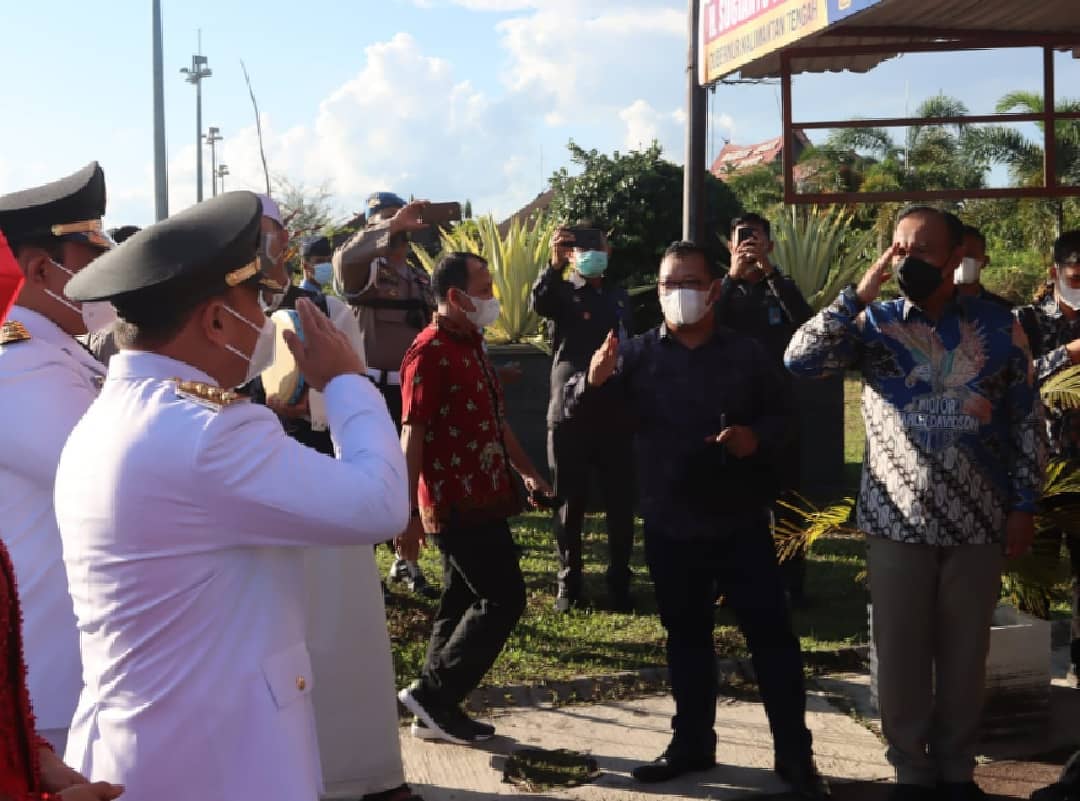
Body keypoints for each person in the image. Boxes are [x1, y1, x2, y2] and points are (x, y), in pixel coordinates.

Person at [53, 191, 410, 801]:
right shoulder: (208, 431)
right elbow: (378, 503)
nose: (267, 320)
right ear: (216, 321)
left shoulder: (112, 413)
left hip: (153, 748)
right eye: (257, 301)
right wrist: (346, 381)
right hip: (215, 763)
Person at [785, 206, 1047, 801]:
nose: (906, 260)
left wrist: (1024, 503)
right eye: (898, 247)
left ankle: (957, 769)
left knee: (965, 655)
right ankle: (910, 768)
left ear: (958, 257)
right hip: (895, 521)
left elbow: (1026, 422)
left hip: (977, 520)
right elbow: (799, 360)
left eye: (922, 249)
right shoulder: (871, 324)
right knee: (899, 656)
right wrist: (854, 295)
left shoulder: (999, 326)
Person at [569, 241, 827, 798]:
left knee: (772, 640)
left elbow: (787, 416)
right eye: (668, 284)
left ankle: (794, 754)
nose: (678, 293)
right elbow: (579, 417)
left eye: (689, 282)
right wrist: (591, 381)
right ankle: (691, 744)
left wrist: (755, 437)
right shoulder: (634, 354)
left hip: (740, 522)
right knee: (686, 640)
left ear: (713, 289)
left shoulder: (748, 354)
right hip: (670, 522)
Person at [251, 195, 418, 801]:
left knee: (342, 629)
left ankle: (357, 772)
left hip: (323, 459)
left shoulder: (322, 306)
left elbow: (339, 378)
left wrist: (321, 402)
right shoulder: (233, 316)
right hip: (274, 475)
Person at [396, 251, 552, 745]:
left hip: (486, 495)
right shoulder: (429, 352)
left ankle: (433, 712)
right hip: (452, 502)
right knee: (504, 597)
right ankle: (437, 695)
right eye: (483, 289)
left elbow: (497, 423)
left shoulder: (472, 344)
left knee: (460, 598)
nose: (492, 298)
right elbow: (412, 436)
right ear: (455, 297)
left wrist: (530, 474)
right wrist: (406, 515)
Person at [0, 237, 124, 801]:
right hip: (47, 667)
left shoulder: (56, 354)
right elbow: (112, 481)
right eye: (89, 260)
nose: (105, 276)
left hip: (56, 666)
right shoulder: (19, 362)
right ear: (41, 269)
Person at [334, 192, 439, 599]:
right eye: (383, 220)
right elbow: (343, 263)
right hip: (372, 387)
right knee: (368, 475)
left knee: (407, 475)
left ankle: (405, 560)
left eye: (399, 219)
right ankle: (363, 569)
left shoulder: (416, 278)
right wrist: (388, 226)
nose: (396, 226)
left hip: (410, 389)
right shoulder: (364, 270)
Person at [530, 223, 635, 612]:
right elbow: (539, 303)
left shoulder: (618, 296)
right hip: (570, 409)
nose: (592, 251)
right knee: (569, 502)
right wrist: (553, 265)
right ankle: (568, 585)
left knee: (621, 503)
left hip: (616, 411)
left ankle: (620, 583)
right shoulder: (560, 291)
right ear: (570, 252)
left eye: (598, 244)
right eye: (582, 246)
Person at [716, 212, 813, 605]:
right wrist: (732, 278)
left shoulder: (781, 287)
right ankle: (728, 585)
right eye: (741, 238)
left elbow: (807, 326)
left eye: (756, 239)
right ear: (730, 246)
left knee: (788, 503)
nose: (748, 245)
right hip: (733, 409)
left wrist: (770, 274)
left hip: (779, 410)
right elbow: (704, 323)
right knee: (730, 503)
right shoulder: (723, 291)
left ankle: (792, 584)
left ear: (770, 245)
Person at [1015, 230, 1080, 686]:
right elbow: (1016, 381)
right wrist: (1070, 354)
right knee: (1030, 578)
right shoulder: (1027, 321)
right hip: (1038, 470)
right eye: (1078, 273)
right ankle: (1024, 673)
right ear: (1057, 270)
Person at [955, 224, 1011, 307]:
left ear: (985, 261)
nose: (963, 260)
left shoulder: (1003, 310)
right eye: (957, 255)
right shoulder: (933, 308)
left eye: (970, 255)